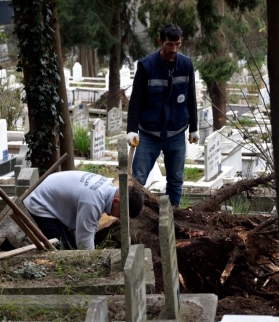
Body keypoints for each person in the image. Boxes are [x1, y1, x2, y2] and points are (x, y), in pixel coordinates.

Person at [126, 23, 198, 207]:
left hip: (176, 133)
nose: (173, 49)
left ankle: (172, 214)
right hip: (150, 133)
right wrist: (132, 130)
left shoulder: (186, 65)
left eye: (177, 44)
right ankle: (134, 217)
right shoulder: (146, 66)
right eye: (169, 45)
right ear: (160, 41)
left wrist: (194, 128)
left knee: (175, 180)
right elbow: (136, 100)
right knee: (137, 180)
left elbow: (191, 97)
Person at [24, 171, 144, 250]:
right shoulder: (92, 201)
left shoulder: (108, 187)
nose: (119, 218)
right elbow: (84, 244)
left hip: (51, 197)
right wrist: (94, 265)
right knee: (67, 250)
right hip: (39, 203)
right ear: (116, 201)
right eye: (122, 214)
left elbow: (90, 225)